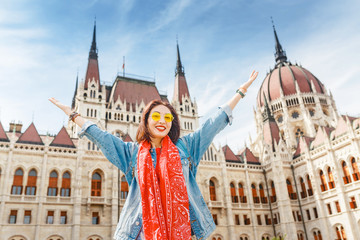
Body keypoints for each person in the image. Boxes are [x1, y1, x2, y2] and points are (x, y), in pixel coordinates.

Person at [49, 70, 258, 240]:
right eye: (156, 116)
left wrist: (240, 92)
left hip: (181, 230)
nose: (162, 121)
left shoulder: (185, 147)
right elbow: (102, 137)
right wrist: (73, 114)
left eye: (167, 117)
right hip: (140, 232)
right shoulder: (131, 153)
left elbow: (212, 125)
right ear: (146, 120)